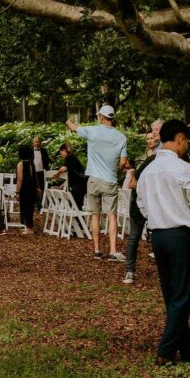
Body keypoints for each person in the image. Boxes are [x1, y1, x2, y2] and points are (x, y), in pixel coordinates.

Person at [137, 120, 190, 365]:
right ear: (180, 138)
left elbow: (141, 205)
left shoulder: (147, 170)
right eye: (186, 141)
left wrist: (157, 214)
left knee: (172, 293)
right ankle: (165, 351)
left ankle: (188, 349)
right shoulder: (185, 169)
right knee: (182, 295)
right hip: (182, 236)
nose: (186, 146)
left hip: (158, 236)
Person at [67, 104, 128, 261]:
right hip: (110, 179)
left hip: (93, 179)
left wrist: (69, 122)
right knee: (112, 215)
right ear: (112, 118)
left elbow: (74, 128)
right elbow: (123, 162)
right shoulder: (121, 137)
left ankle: (97, 250)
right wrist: (117, 171)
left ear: (101, 117)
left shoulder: (93, 131)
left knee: (95, 215)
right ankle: (113, 250)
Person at [123, 130, 161, 284]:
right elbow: (133, 183)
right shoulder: (150, 160)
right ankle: (129, 270)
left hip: (155, 204)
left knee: (160, 237)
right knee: (134, 236)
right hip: (139, 203)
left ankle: (163, 271)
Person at [52, 143, 87, 209]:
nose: (61, 155)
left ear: (64, 150)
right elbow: (70, 178)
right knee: (77, 207)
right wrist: (60, 187)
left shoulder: (69, 158)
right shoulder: (73, 158)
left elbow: (63, 169)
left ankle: (79, 219)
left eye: (61, 153)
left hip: (78, 187)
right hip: (81, 186)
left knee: (76, 207)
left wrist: (57, 175)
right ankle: (79, 219)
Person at [16, 145, 37, 235]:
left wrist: (17, 191)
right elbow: (33, 177)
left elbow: (20, 179)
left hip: (24, 188)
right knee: (30, 208)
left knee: (25, 208)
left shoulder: (21, 164)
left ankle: (29, 228)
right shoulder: (31, 163)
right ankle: (29, 226)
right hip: (31, 188)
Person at [32, 136, 50, 203]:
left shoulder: (44, 151)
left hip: (42, 171)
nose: (37, 143)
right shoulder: (30, 151)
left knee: (42, 186)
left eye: (38, 142)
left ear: (40, 143)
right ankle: (35, 202)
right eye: (35, 142)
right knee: (34, 187)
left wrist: (47, 171)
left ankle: (42, 202)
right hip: (33, 172)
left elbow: (47, 161)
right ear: (33, 143)